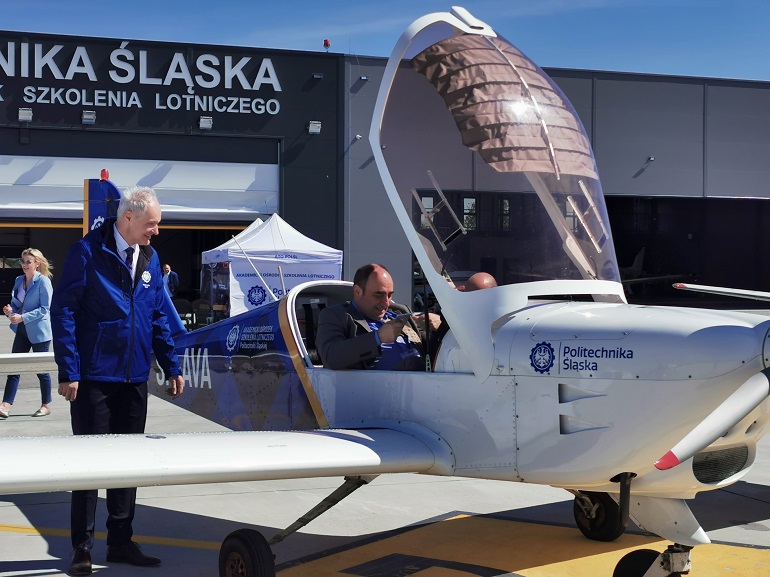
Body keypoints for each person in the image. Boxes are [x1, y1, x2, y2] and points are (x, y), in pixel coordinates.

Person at [51, 185, 185, 576]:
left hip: (133, 379)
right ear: (128, 217)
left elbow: (159, 315)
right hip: (93, 378)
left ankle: (121, 542)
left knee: (129, 465)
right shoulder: (87, 252)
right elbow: (64, 313)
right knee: (90, 467)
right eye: (151, 224)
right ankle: (82, 547)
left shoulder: (150, 256)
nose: (156, 231)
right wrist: (70, 370)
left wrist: (170, 364)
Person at [317, 263, 438, 371]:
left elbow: (434, 351)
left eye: (389, 295)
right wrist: (377, 337)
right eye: (378, 294)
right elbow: (331, 357)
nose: (386, 302)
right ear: (358, 291)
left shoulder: (399, 311)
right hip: (379, 389)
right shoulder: (337, 315)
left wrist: (439, 327)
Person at [1, 248, 54, 419]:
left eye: (28, 262)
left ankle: (45, 405)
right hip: (22, 330)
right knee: (14, 368)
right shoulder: (18, 280)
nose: (24, 265)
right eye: (22, 262)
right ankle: (5, 405)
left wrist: (22, 316)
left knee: (41, 370)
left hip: (39, 332)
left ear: (37, 263)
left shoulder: (43, 282)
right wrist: (10, 311)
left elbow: (45, 309)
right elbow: (17, 304)